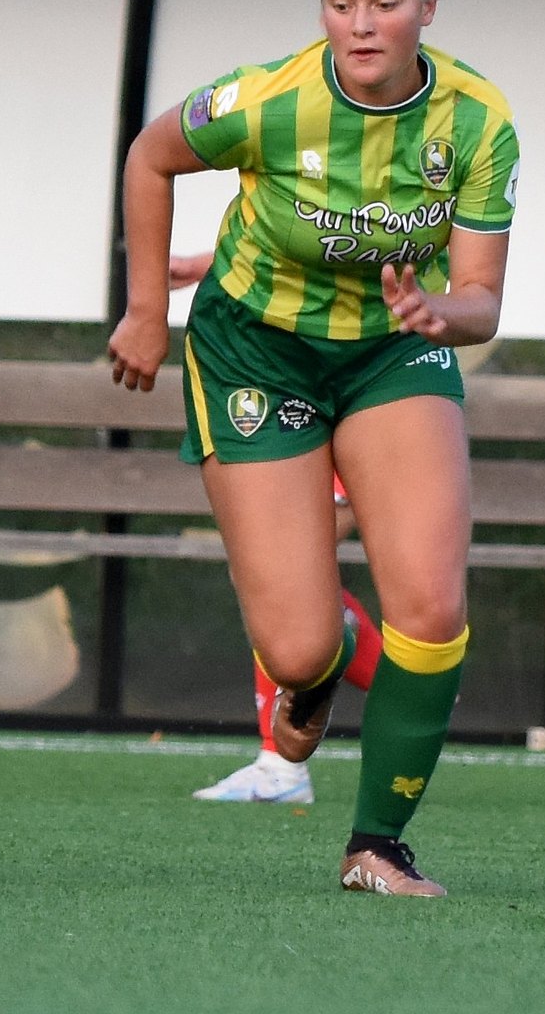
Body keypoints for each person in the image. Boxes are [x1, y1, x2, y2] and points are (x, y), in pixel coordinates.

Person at [109, 0, 518, 896]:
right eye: (341, 4)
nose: (362, 26)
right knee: (297, 647)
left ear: (429, 4)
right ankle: (312, 678)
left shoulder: (478, 121)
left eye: (386, 4)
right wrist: (145, 313)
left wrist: (439, 311)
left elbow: (482, 298)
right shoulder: (267, 99)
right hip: (257, 348)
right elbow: (150, 157)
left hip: (393, 350)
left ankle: (377, 843)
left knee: (429, 601)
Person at [172, 254, 389, 804]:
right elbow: (300, 226)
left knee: (281, 583)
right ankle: (409, 685)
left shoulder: (392, 187)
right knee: (286, 586)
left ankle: (284, 768)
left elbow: (366, 242)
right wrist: (210, 264)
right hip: (308, 394)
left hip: (354, 390)